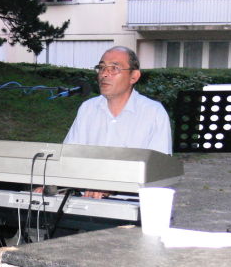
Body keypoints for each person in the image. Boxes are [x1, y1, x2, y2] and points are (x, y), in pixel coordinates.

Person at [63, 45, 172, 198]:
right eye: (101, 68)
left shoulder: (153, 112)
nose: (104, 74)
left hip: (131, 203)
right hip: (84, 200)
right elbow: (69, 157)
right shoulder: (88, 109)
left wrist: (111, 188)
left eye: (114, 68)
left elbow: (158, 170)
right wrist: (51, 186)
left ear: (134, 76)